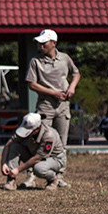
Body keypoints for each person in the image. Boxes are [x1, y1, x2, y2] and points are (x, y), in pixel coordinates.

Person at [24, 29, 80, 188]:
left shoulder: (65, 59)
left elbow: (76, 74)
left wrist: (72, 87)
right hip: (45, 106)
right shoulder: (35, 61)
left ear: (54, 43)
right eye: (39, 43)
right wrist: (53, 93)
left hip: (63, 107)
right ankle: (31, 176)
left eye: (44, 43)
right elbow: (31, 84)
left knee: (61, 142)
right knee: (38, 141)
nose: (41, 46)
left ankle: (59, 176)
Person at [0, 112, 66, 191]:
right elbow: (8, 145)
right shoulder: (26, 128)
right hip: (34, 154)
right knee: (14, 147)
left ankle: (53, 179)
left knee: (39, 168)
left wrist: (18, 169)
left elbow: (38, 158)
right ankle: (11, 180)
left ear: (37, 128)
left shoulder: (49, 135)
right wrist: (3, 163)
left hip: (54, 158)